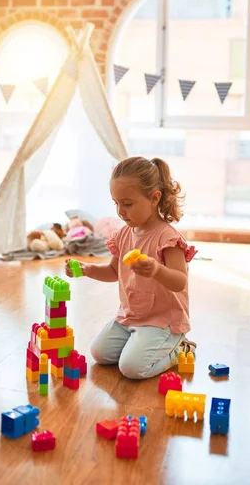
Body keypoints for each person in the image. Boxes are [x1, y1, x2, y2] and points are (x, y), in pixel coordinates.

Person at [65, 156, 197, 379]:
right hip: (131, 315)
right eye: (116, 203)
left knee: (132, 368)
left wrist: (156, 269)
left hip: (162, 321)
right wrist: (86, 268)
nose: (120, 212)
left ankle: (179, 348)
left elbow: (179, 281)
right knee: (100, 353)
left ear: (154, 198)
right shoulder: (123, 235)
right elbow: (113, 272)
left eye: (127, 204)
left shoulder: (168, 238)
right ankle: (138, 341)